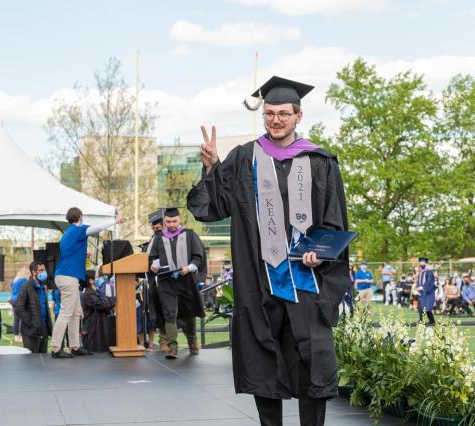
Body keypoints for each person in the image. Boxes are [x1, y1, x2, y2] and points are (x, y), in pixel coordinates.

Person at [187, 76, 349, 426]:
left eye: (284, 114)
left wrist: (319, 253)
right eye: (270, 113)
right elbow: (212, 207)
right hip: (259, 283)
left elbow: (333, 223)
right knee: (263, 362)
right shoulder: (246, 158)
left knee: (310, 363)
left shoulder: (320, 161)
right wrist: (212, 168)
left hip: (306, 283)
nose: (276, 120)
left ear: (298, 116)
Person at [50, 207, 125, 359]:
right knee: (66, 312)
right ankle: (56, 348)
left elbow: (69, 254)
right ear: (80, 217)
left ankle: (75, 346)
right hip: (68, 277)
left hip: (65, 276)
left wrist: (83, 254)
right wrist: (115, 221)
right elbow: (97, 228)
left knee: (76, 313)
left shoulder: (67, 234)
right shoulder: (78, 230)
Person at [149, 207, 206, 359]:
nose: (172, 224)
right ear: (164, 221)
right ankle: (172, 347)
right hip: (166, 281)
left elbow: (198, 257)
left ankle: (192, 342)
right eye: (168, 221)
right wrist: (154, 265)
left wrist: (188, 268)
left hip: (185, 279)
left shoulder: (189, 235)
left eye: (174, 221)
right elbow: (153, 257)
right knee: (169, 313)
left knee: (188, 312)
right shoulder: (159, 237)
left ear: (179, 220)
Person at [15, 261, 53, 353]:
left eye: (44, 270)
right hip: (31, 332)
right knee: (32, 361)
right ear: (34, 272)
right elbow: (19, 309)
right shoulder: (25, 287)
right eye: (41, 270)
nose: (44, 272)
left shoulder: (42, 287)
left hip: (43, 330)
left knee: (43, 360)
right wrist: (32, 323)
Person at [141, 210, 165, 351]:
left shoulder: (165, 237)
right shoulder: (154, 238)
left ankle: (164, 341)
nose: (155, 228)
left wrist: (158, 264)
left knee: (164, 311)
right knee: (156, 311)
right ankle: (160, 342)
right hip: (152, 279)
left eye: (157, 226)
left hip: (162, 278)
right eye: (153, 226)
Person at [81, 269, 115, 352]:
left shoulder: (96, 291)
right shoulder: (88, 294)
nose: (100, 278)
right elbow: (103, 305)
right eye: (97, 277)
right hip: (93, 332)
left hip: (99, 330)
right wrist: (117, 298)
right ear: (91, 280)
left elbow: (106, 301)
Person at [9, 267, 29, 342]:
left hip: (13, 299)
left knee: (16, 318)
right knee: (21, 318)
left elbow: (11, 286)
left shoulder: (16, 279)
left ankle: (16, 335)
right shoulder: (23, 280)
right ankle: (20, 335)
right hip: (19, 299)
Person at [416, 258, 435, 325]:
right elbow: (418, 281)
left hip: (428, 293)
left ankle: (432, 320)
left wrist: (423, 287)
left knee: (427, 307)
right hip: (422, 293)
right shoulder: (421, 272)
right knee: (421, 307)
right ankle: (421, 320)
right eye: (420, 262)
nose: (421, 263)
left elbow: (430, 282)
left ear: (426, 263)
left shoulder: (429, 272)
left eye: (423, 262)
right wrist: (417, 287)